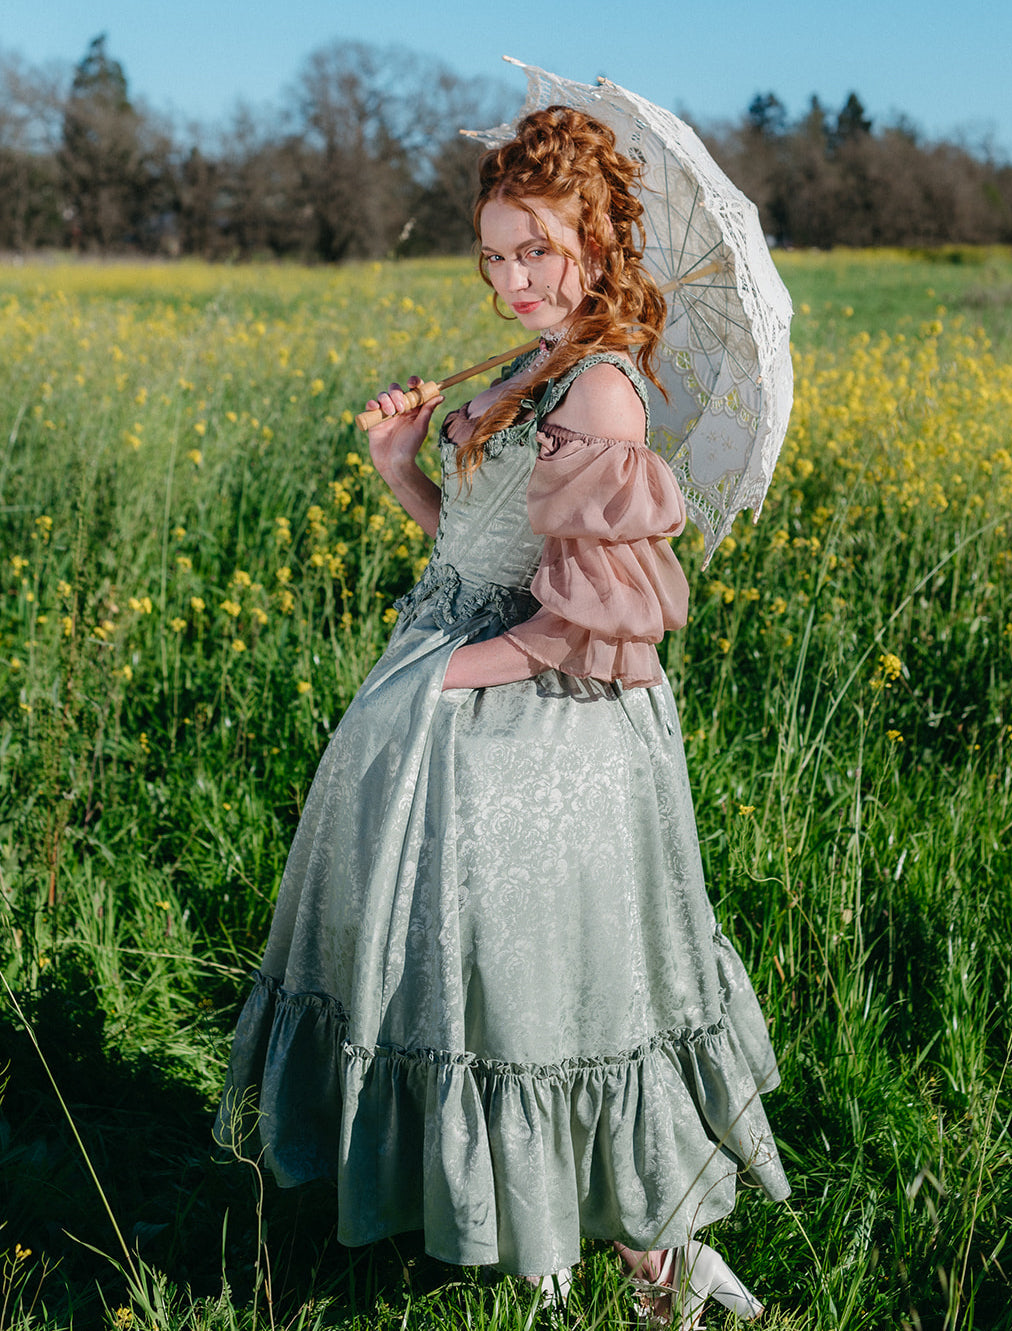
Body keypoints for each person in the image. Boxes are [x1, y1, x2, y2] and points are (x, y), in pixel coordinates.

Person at [215, 105, 789, 1327]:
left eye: (538, 249)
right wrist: (402, 467)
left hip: (548, 722)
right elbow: (481, 557)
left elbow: (590, 623)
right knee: (474, 978)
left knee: (562, 988)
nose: (511, 277)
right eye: (492, 253)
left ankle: (657, 1259)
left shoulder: (604, 397)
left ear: (598, 241)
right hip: (465, 680)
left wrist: (447, 684)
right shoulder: (532, 369)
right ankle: (533, 1216)